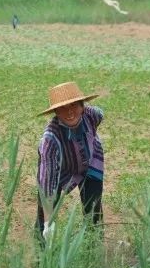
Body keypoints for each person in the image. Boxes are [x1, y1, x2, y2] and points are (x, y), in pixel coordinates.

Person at [35, 81, 105, 241]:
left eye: (74, 105)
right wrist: (48, 224)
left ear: (82, 106)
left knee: (93, 208)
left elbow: (101, 112)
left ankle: (94, 246)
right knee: (44, 219)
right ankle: (42, 253)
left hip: (90, 162)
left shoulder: (93, 115)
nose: (69, 112)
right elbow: (47, 185)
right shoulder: (50, 140)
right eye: (62, 108)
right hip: (59, 168)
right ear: (55, 112)